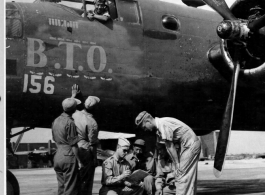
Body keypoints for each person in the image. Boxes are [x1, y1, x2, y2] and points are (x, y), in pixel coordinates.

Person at [135, 111, 201, 195]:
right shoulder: (160, 126)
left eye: (144, 126)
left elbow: (170, 146)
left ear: (148, 121)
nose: (145, 129)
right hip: (187, 145)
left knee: (182, 176)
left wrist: (177, 165)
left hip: (189, 145)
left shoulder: (162, 124)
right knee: (186, 177)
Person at [71, 86, 100, 195]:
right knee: (86, 182)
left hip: (73, 149)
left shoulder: (74, 114)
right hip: (85, 152)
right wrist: (95, 159)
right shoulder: (92, 122)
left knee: (75, 181)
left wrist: (73, 95)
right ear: (95, 108)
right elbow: (93, 143)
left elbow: (68, 107)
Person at [51, 98, 84, 195]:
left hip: (58, 155)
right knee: (71, 188)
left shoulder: (56, 120)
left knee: (61, 188)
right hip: (68, 156)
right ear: (74, 109)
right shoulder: (70, 123)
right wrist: (79, 160)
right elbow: (73, 144)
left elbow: (54, 138)